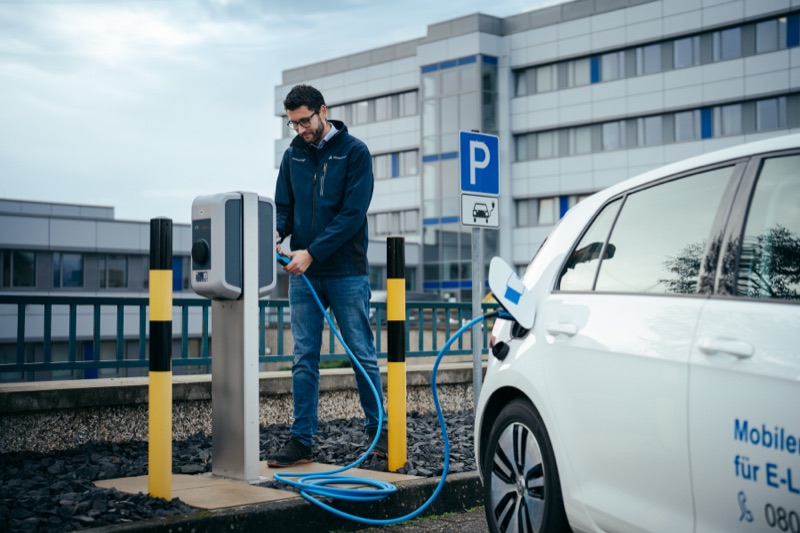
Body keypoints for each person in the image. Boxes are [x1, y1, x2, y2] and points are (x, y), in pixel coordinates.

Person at [267, 84, 388, 468]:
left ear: (323, 111)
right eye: (293, 124)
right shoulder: (293, 156)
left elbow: (352, 216)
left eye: (305, 121)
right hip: (303, 275)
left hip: (345, 272)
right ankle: (301, 440)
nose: (300, 130)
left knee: (361, 355)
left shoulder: (355, 153)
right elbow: (284, 206)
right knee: (304, 358)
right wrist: (276, 230)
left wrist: (312, 252)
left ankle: (380, 434)